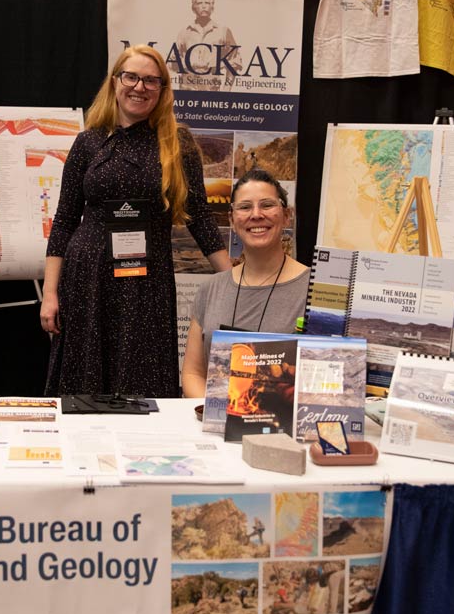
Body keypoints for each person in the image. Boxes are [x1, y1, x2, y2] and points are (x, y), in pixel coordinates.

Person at [41, 44, 231, 398]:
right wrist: (50, 294)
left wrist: (233, 281)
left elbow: (200, 217)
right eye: (131, 77)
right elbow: (65, 220)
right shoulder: (87, 143)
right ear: (115, 82)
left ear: (162, 90)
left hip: (146, 280)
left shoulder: (178, 143)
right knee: (86, 382)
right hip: (88, 278)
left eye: (150, 80)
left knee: (142, 381)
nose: (139, 87)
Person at [181, 169, 308, 397]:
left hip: (282, 428)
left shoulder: (312, 291)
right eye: (245, 207)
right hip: (213, 427)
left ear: (287, 215)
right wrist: (215, 417)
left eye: (267, 205)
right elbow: (193, 374)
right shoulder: (210, 289)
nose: (256, 215)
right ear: (232, 218)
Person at [171, 0, 242, 91]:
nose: (204, 6)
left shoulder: (223, 32)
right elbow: (172, 62)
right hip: (187, 87)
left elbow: (235, 62)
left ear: (212, 7)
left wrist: (226, 90)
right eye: (199, 3)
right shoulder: (184, 32)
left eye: (207, 3)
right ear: (193, 8)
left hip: (211, 87)